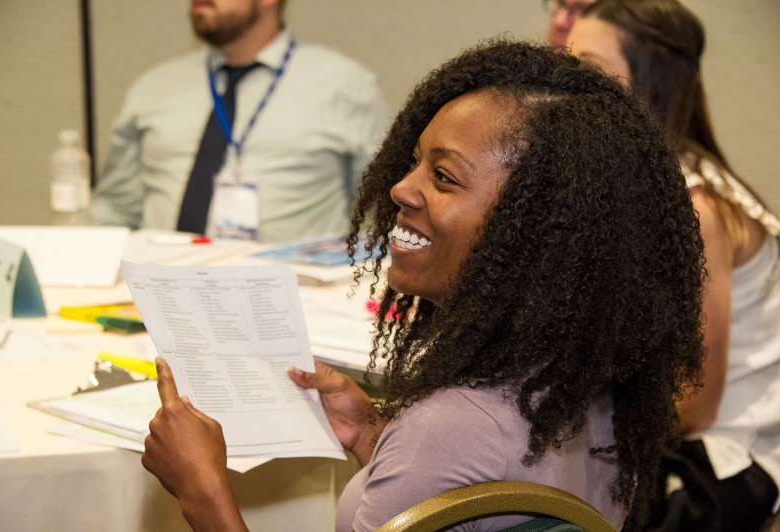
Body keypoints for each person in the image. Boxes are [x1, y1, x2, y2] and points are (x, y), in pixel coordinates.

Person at [140, 38, 706, 531]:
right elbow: (476, 499)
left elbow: (468, 453)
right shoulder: (597, 389)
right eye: (414, 163)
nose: (400, 190)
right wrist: (373, 436)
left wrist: (201, 490)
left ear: (533, 227)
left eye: (442, 177)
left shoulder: (452, 427)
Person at [568, 1, 780, 529]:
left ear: (650, 80)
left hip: (728, 459)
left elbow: (694, 403)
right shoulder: (638, 182)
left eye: (588, 68)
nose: (566, 85)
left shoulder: (697, 206)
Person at [90, 0, 388, 243]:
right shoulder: (154, 86)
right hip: (161, 294)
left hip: (292, 299)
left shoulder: (344, 86)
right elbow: (116, 207)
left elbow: (379, 208)